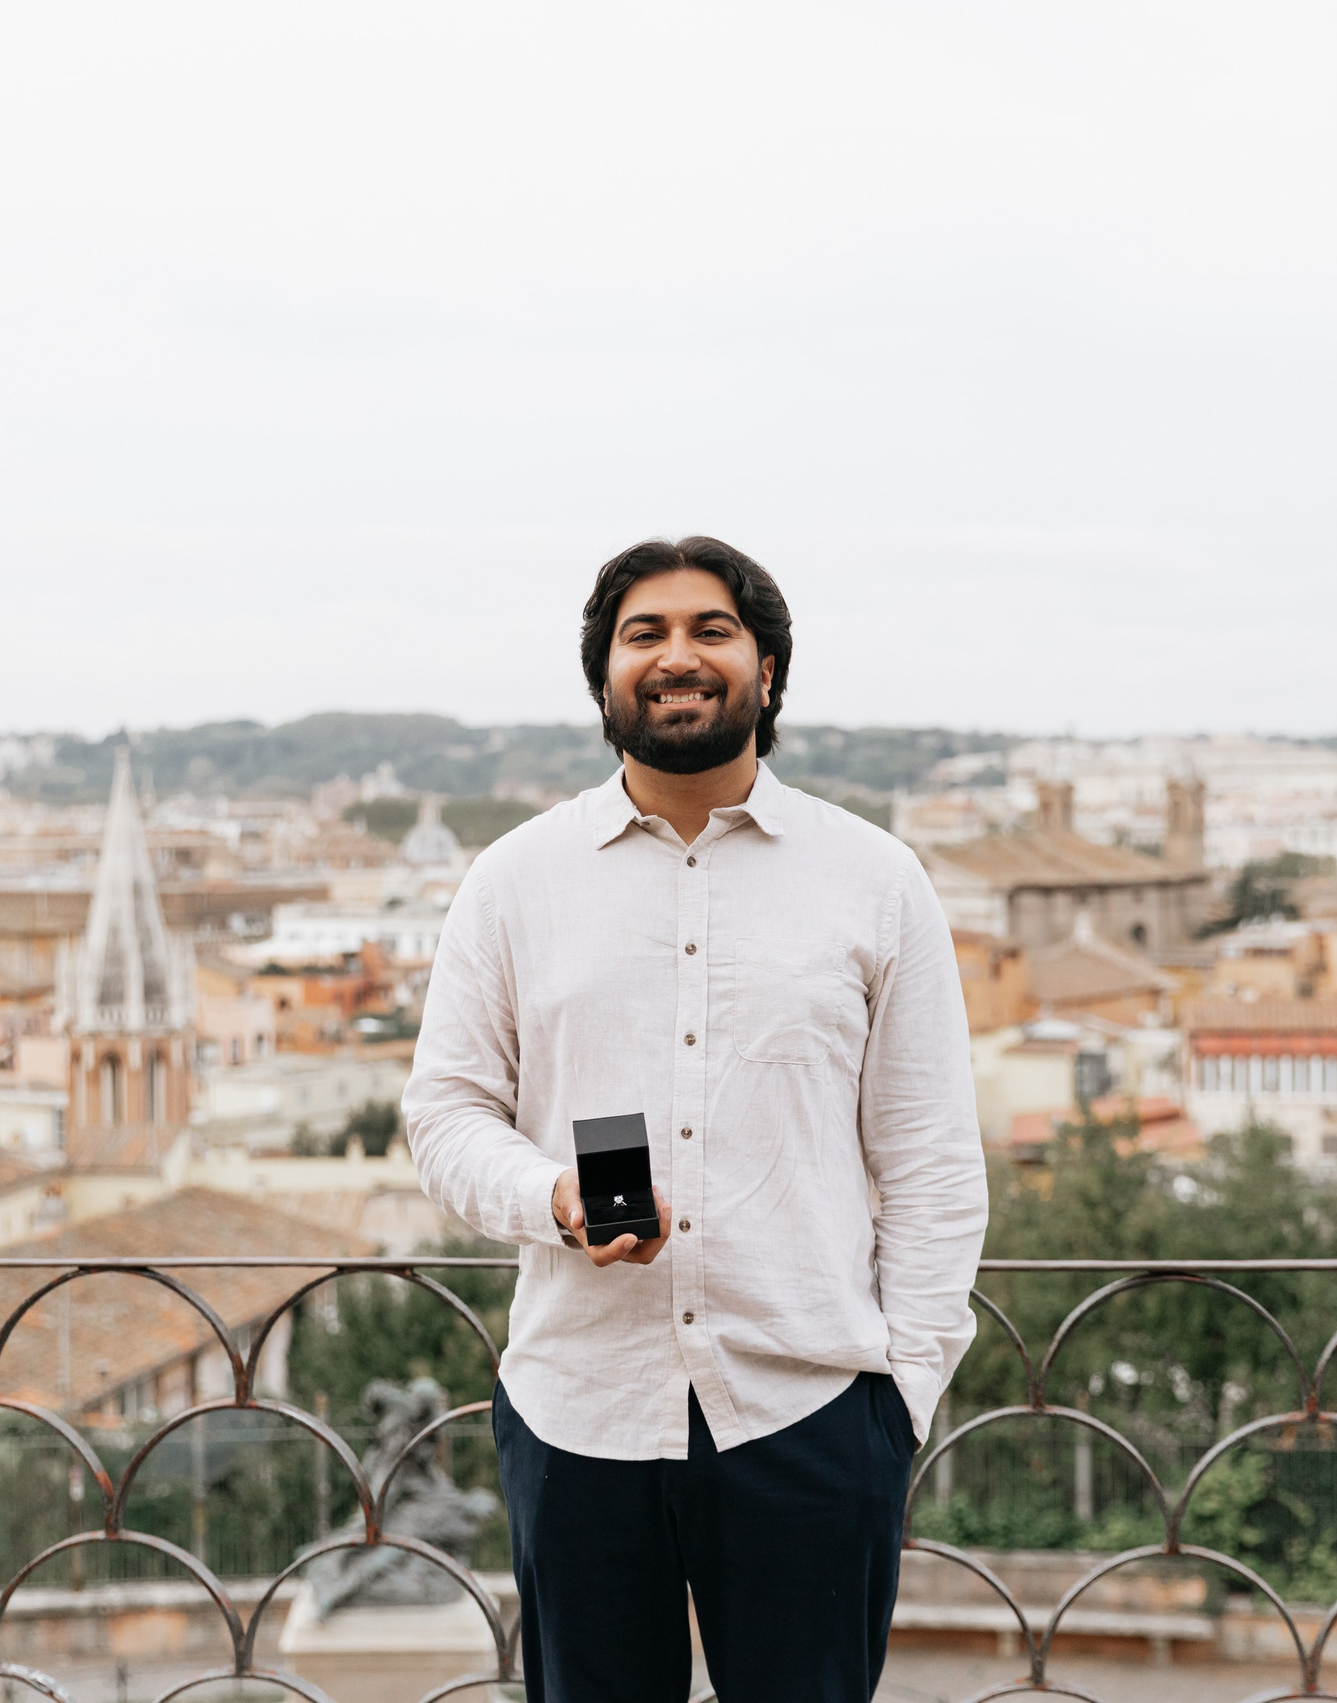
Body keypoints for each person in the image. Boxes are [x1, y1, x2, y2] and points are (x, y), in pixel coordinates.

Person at [404, 537, 989, 1702]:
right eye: (644, 634)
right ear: (605, 682)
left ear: (766, 670)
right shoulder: (513, 881)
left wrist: (902, 1398)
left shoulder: (876, 879)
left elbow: (928, 1157)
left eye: (710, 629)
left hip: (810, 1411)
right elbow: (446, 1112)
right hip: (578, 1409)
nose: (677, 656)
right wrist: (552, 1199)